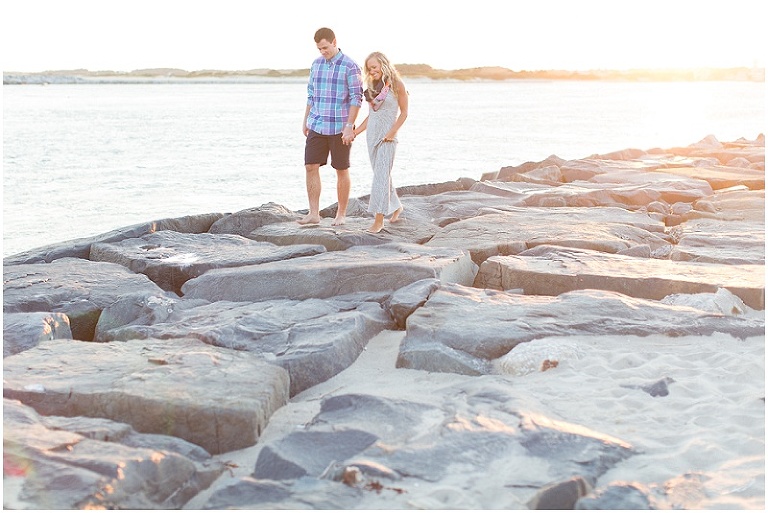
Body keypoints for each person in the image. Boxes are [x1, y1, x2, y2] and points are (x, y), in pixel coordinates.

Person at [299, 27, 363, 226]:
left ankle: (341, 215)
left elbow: (356, 98)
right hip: (317, 123)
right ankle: (313, 214)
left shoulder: (350, 66)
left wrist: (349, 126)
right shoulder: (316, 64)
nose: (323, 52)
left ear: (334, 42)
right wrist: (305, 120)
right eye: (319, 49)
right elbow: (311, 94)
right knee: (310, 166)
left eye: (325, 47)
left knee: (341, 169)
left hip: (339, 127)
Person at [353, 52, 408, 233]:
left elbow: (404, 113)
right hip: (372, 138)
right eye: (369, 68)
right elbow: (372, 116)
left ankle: (378, 220)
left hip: (388, 139)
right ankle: (397, 206)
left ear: (384, 65)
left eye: (374, 67)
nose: (372, 71)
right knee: (382, 175)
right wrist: (355, 132)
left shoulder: (397, 85)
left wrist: (392, 133)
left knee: (380, 178)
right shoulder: (372, 87)